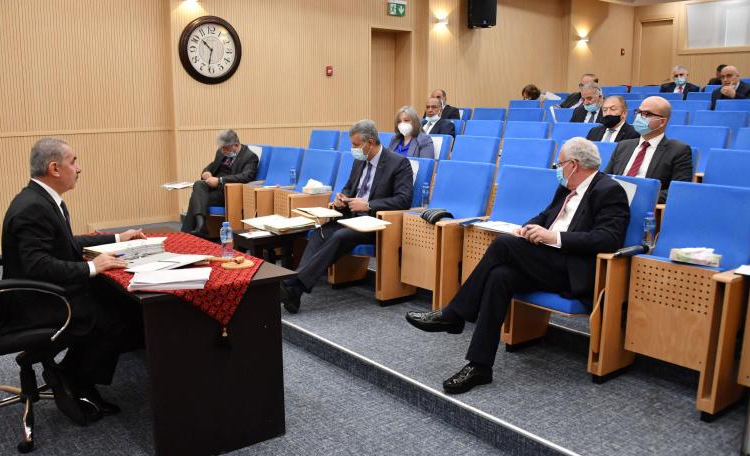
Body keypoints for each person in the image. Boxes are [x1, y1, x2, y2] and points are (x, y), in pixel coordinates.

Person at [405, 138, 629, 395]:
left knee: (503, 245)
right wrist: (526, 228)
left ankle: (453, 315)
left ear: (574, 165)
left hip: (571, 270)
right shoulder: (567, 187)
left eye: (559, 164)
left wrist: (553, 237)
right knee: (500, 276)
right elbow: (545, 215)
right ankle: (480, 366)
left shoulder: (609, 190)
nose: (557, 168)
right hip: (545, 261)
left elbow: (608, 239)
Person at [0, 138, 147, 425]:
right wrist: (92, 266)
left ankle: (72, 374)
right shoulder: (33, 208)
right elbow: (37, 266)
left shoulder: (41, 199)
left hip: (41, 294)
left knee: (114, 301)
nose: (79, 169)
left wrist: (118, 237)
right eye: (73, 162)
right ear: (54, 168)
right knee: (118, 315)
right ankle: (78, 382)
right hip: (35, 304)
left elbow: (66, 243)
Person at [280, 120, 413, 314]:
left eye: (356, 145)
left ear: (370, 142)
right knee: (320, 232)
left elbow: (403, 200)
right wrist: (341, 198)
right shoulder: (359, 161)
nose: (353, 149)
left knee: (340, 236)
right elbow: (349, 188)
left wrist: (368, 205)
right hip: (351, 217)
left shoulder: (398, 163)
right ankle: (295, 290)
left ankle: (295, 284)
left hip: (375, 224)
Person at [604, 96, 692, 203]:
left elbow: (679, 191)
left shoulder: (679, 151)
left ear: (662, 122)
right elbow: (605, 179)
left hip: (646, 206)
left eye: (646, 114)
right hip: (612, 204)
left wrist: (637, 196)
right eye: (638, 112)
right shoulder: (623, 146)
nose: (639, 117)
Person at [181, 129, 259, 235]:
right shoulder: (221, 152)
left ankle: (192, 230)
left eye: (226, 148)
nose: (223, 150)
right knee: (198, 184)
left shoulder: (250, 157)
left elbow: (245, 177)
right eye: (221, 147)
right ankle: (200, 225)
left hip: (227, 191)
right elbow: (212, 165)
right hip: (213, 187)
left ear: (236, 145)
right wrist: (206, 172)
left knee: (196, 199)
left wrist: (220, 180)